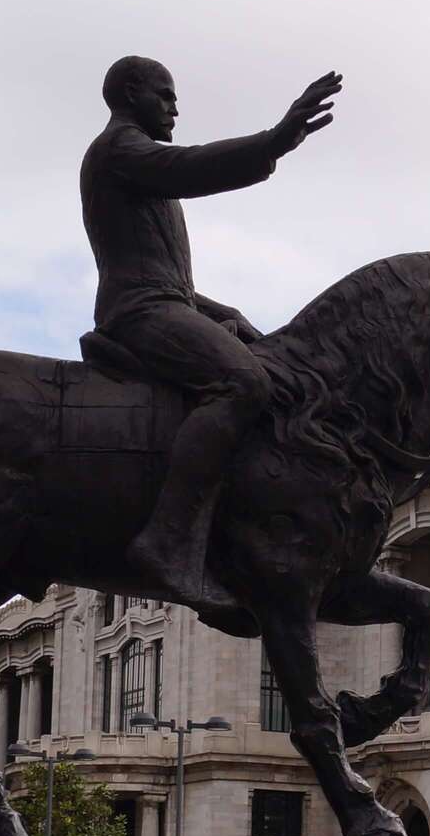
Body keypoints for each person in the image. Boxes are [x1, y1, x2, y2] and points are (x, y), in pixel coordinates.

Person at [81, 55, 342, 611]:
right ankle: (170, 540)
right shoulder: (119, 151)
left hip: (164, 304)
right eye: (165, 95)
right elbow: (191, 168)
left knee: (264, 361)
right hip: (138, 313)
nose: (175, 107)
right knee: (244, 384)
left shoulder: (139, 165)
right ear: (130, 93)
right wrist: (273, 141)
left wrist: (231, 315)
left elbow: (172, 281)